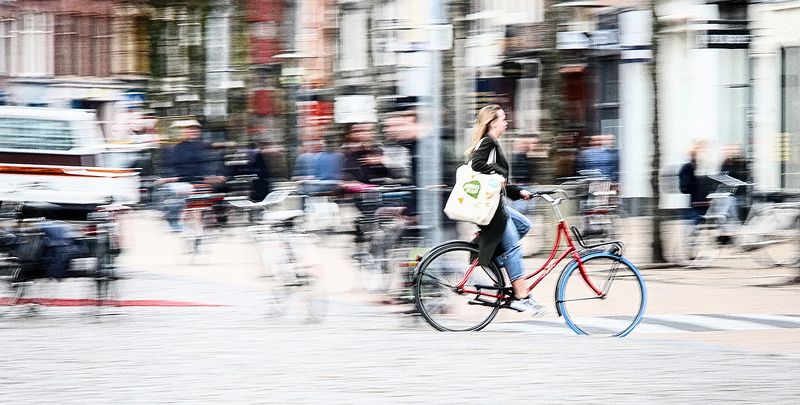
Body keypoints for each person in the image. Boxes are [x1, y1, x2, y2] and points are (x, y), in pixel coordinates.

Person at [465, 104, 541, 315]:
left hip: (495, 204)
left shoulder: (493, 143)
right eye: (503, 118)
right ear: (493, 122)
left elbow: (499, 182)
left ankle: (496, 261)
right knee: (514, 248)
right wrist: (496, 175)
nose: (506, 121)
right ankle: (521, 296)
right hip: (491, 209)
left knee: (524, 225)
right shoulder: (488, 142)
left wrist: (519, 192)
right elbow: (476, 165)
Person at [156, 119, 225, 232]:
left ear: (200, 131)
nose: (192, 131)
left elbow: (209, 168)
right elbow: (175, 167)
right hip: (188, 184)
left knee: (195, 209)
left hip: (199, 185)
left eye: (195, 129)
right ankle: (186, 228)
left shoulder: (205, 147)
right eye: (190, 129)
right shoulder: (179, 148)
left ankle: (194, 231)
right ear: (185, 131)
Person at [678, 141, 710, 224]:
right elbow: (685, 186)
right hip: (697, 203)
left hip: (704, 203)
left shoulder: (703, 165)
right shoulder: (689, 167)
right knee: (695, 228)